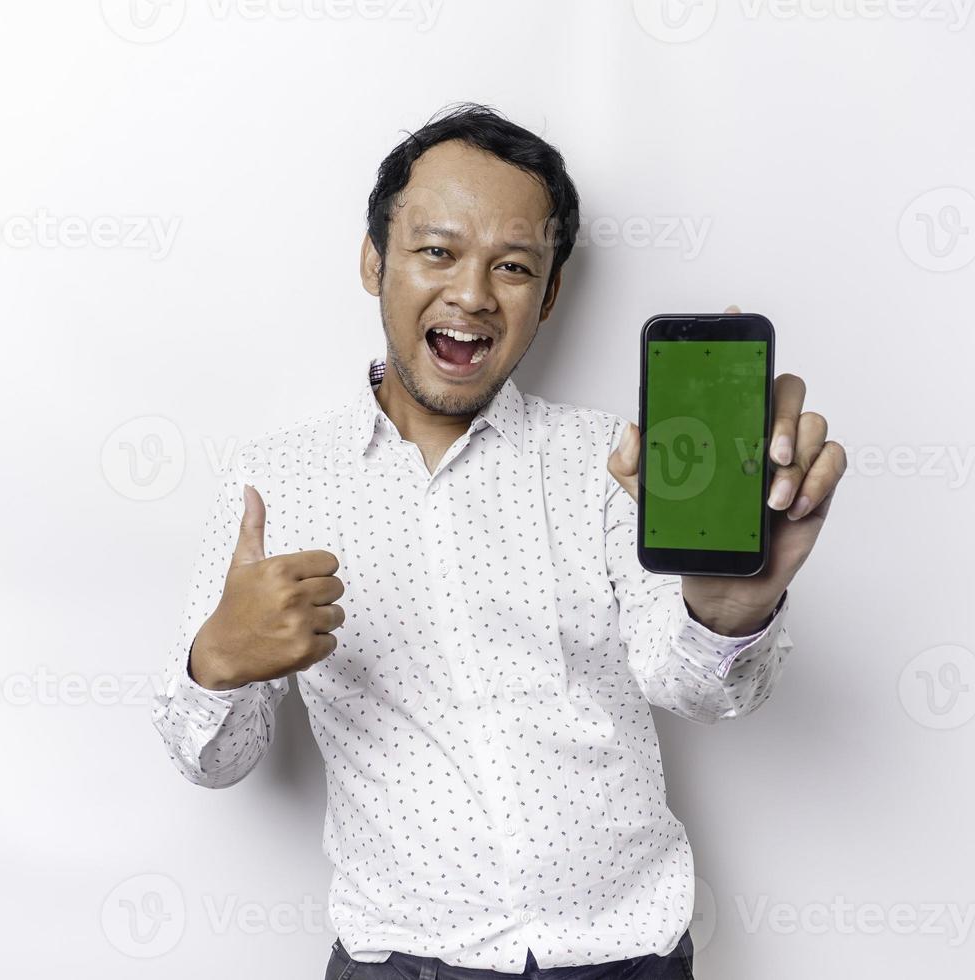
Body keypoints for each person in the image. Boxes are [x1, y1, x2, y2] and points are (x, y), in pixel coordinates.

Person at [150, 102, 846, 979]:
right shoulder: (273, 483)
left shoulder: (617, 463)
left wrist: (732, 608)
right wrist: (217, 662)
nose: (472, 294)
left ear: (549, 294)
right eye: (436, 250)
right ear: (375, 261)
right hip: (401, 964)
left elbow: (704, 694)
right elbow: (210, 762)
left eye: (512, 266)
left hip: (627, 958)